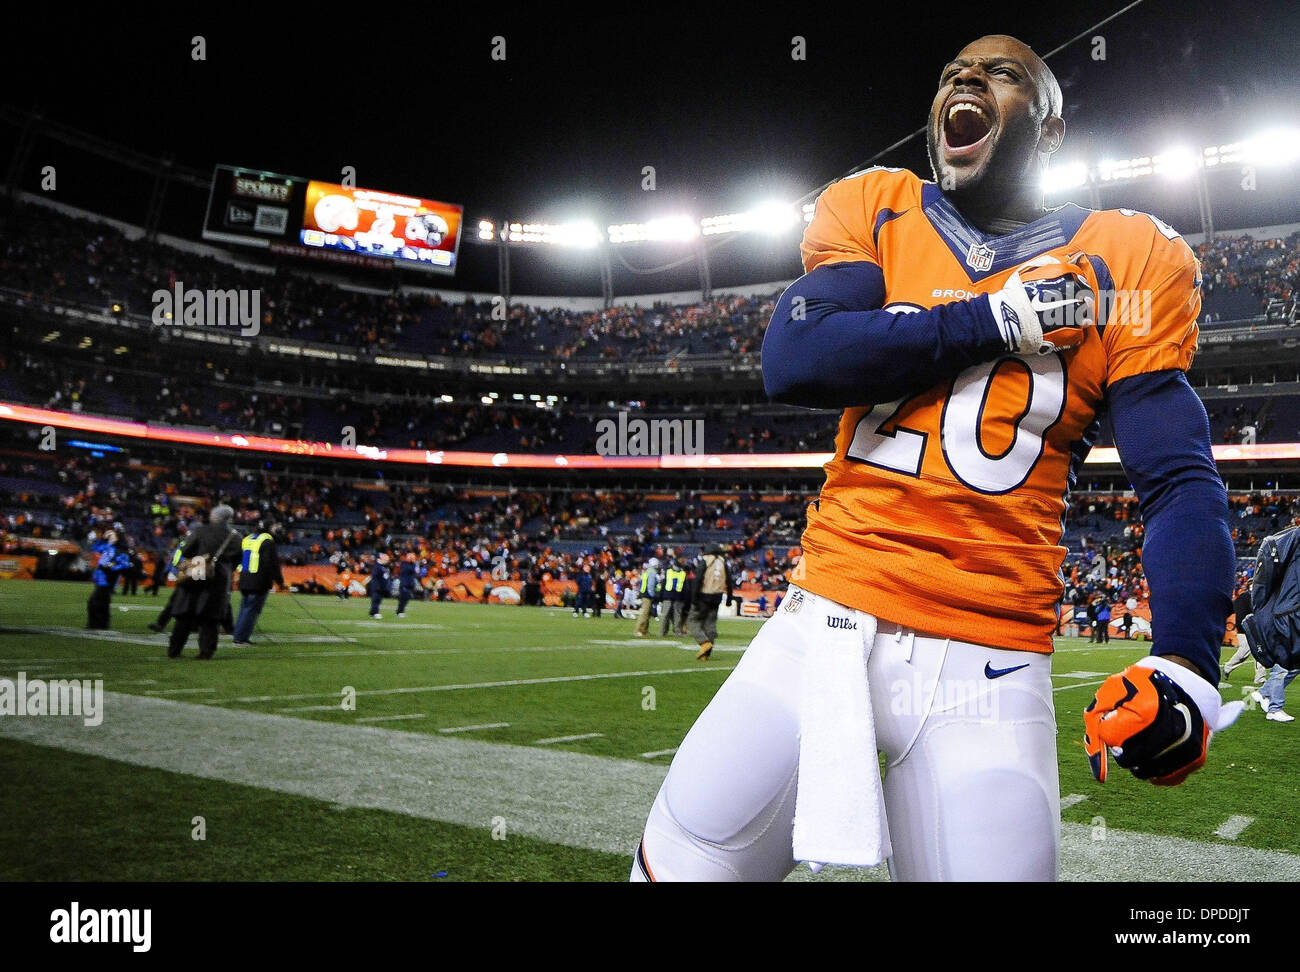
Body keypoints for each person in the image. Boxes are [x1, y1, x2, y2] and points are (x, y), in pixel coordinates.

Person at [632, 35, 1241, 883]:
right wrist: (993, 321)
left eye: (1003, 74)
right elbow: (797, 360)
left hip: (987, 659)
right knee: (679, 868)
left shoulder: (1126, 256)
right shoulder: (876, 208)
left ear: (1053, 131)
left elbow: (1177, 479)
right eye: (956, 71)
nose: (966, 77)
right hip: (823, 624)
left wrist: (1185, 662)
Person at [168, 506, 241, 659]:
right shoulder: (235, 536)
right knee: (211, 617)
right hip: (220, 577)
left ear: (213, 516)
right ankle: (206, 652)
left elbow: (186, 550)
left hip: (198, 569)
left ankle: (175, 650)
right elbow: (237, 560)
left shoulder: (201, 531)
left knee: (185, 613)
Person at [232, 520, 284, 646]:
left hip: (244, 578)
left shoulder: (247, 538)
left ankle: (238, 635)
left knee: (244, 608)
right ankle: (241, 638)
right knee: (251, 610)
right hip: (259, 581)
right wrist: (280, 581)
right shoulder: (267, 541)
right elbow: (271, 564)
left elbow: (237, 559)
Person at [686, 543, 733, 661]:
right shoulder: (722, 562)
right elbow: (729, 581)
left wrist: (694, 598)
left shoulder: (706, 560)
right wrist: (729, 599)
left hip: (703, 596)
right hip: (717, 597)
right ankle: (706, 654)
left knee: (692, 621)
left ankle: (704, 643)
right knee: (710, 624)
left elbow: (697, 580)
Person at [86, 530, 131, 629]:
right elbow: (95, 548)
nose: (109, 536)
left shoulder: (120, 550)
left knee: (96, 602)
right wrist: (102, 538)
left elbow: (125, 564)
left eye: (112, 535)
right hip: (101, 579)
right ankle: (100, 625)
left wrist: (111, 568)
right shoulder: (107, 546)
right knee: (101, 603)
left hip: (108, 579)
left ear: (118, 538)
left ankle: (95, 624)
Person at [1223, 588, 1267, 684]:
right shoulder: (1244, 597)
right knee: (1244, 652)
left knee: (1260, 651)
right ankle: (1228, 667)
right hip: (1245, 629)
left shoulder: (1255, 597)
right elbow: (1242, 614)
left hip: (1254, 628)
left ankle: (1260, 677)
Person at [659, 558, 688, 636]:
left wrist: (684, 598)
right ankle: (663, 632)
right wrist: (661, 596)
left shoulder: (682, 574)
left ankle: (677, 632)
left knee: (677, 616)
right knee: (665, 615)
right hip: (667, 596)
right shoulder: (668, 572)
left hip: (678, 597)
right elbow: (664, 584)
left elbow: (685, 587)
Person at [634, 558, 660, 637]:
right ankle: (638, 630)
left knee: (647, 614)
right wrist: (653, 595)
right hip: (647, 595)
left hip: (645, 594)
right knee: (645, 613)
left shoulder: (647, 571)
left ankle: (644, 630)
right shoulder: (652, 572)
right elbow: (651, 585)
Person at [368, 554, 390, 619]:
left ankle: (372, 613)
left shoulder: (382, 566)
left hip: (381, 586)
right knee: (376, 600)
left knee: (378, 600)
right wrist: (378, 585)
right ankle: (376, 612)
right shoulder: (377, 566)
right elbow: (375, 576)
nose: (387, 561)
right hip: (377, 586)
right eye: (386, 560)